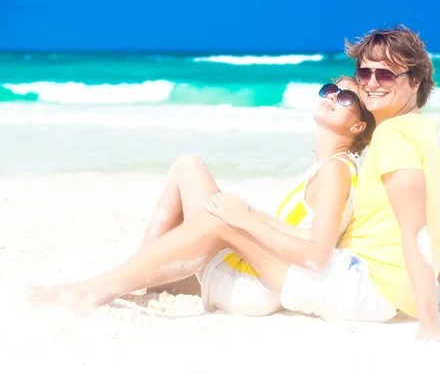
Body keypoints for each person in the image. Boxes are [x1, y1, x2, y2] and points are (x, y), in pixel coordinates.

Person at [205, 25, 440, 341]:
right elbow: (432, 227)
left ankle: (148, 279)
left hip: (363, 286)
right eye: (364, 74)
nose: (371, 84)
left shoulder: (392, 137)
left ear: (414, 81)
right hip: (376, 286)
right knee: (233, 219)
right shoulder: (421, 131)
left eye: (386, 75)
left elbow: (416, 233)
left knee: (224, 225)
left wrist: (430, 325)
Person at [29, 77, 375, 316]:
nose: (332, 96)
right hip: (261, 278)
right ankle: (130, 277)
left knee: (196, 182)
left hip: (258, 288)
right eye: (331, 89)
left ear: (358, 127)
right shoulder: (330, 167)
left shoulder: (335, 170)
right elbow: (303, 233)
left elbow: (318, 251)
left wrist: (244, 219)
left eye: (346, 98)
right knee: (189, 167)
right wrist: (247, 214)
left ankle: (98, 289)